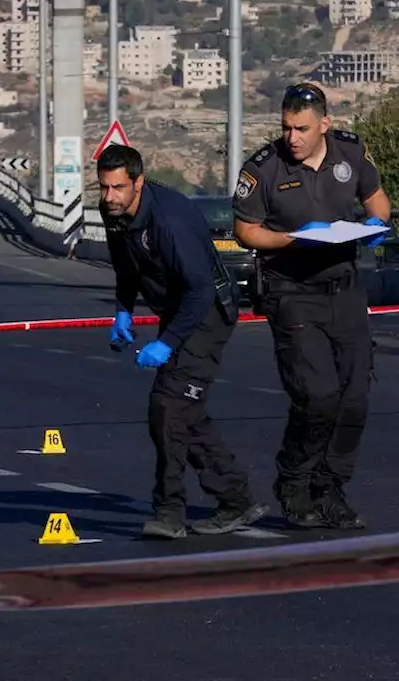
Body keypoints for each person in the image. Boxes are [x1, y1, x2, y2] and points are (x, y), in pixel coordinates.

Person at [231, 82, 391, 530]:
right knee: (317, 395)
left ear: (325, 124)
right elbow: (246, 231)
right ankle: (295, 482)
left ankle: (330, 489)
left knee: (354, 398)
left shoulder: (350, 152)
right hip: (291, 290)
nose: (292, 137)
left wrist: (377, 223)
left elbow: (378, 200)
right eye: (286, 128)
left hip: (344, 287)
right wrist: (292, 239)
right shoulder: (263, 168)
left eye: (302, 128)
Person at [97, 143, 268, 539]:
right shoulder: (116, 214)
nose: (110, 197)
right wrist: (123, 308)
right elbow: (126, 267)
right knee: (184, 412)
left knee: (168, 407)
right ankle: (236, 498)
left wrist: (167, 343)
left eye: (118, 188)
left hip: (207, 314)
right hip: (178, 312)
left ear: (138, 182)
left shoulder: (169, 221)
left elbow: (200, 291)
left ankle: (169, 512)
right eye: (104, 188)